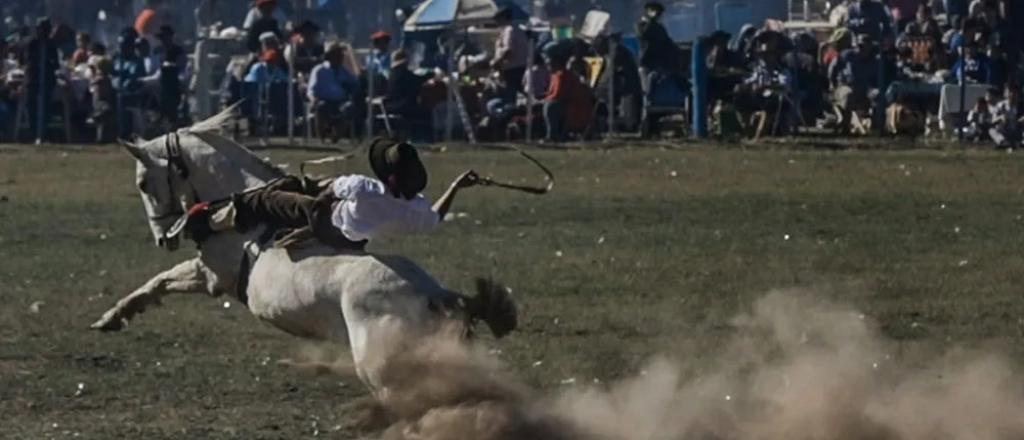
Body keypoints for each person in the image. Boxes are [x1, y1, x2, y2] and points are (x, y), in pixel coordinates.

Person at [181, 138, 481, 250]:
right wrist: (455, 187)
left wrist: (304, 183)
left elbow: (326, 187)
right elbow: (435, 216)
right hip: (359, 243)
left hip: (327, 224)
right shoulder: (415, 210)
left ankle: (207, 223)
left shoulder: (363, 186)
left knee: (266, 198)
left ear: (388, 175)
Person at [19, 17, 59, 144]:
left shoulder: (50, 44)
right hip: (33, 78)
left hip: (47, 79)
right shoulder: (31, 43)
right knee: (30, 104)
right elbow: (25, 60)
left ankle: (44, 134)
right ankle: (33, 132)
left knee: (46, 106)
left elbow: (56, 63)